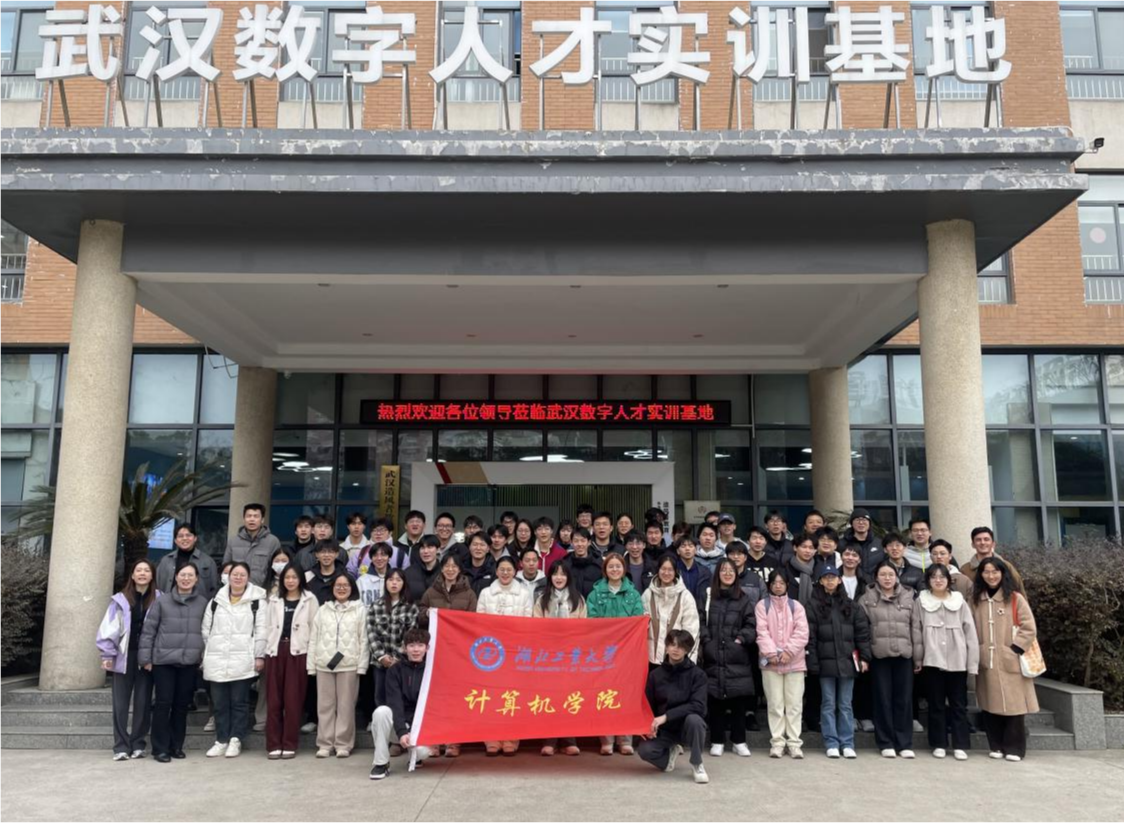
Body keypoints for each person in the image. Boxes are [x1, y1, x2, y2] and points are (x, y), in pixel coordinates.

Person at [971, 557, 1038, 762]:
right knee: (989, 704)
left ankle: (1015, 748)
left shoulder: (1015, 598)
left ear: (1002, 574)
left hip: (1011, 659)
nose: (991, 576)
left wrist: (1015, 649)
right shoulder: (975, 600)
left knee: (1015, 706)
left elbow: (1029, 627)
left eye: (995, 572)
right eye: (986, 572)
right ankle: (996, 745)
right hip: (986, 659)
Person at [140, 563, 208, 763]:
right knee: (163, 703)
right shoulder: (162, 601)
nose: (186, 579)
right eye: (182, 575)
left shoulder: (203, 603)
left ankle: (176, 745)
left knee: (181, 705)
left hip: (189, 661)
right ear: (176, 577)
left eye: (190, 575)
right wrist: (145, 658)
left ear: (196, 579)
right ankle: (160, 748)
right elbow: (149, 631)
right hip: (164, 661)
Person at [805, 565, 872, 759]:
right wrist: (813, 662)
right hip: (825, 663)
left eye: (833, 577)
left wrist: (865, 657)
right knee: (828, 703)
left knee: (845, 704)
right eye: (826, 577)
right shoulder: (813, 605)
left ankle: (847, 743)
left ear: (839, 580)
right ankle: (831, 743)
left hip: (847, 663)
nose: (830, 581)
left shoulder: (851, 605)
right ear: (821, 581)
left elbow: (862, 633)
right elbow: (810, 637)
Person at [201, 561, 266, 759]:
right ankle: (221, 740)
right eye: (234, 574)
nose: (238, 578)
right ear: (228, 577)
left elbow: (261, 631)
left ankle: (236, 739)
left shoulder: (257, 601)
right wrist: (212, 649)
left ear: (248, 578)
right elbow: (206, 629)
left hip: (242, 658)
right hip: (217, 658)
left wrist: (259, 655)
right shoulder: (216, 601)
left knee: (239, 702)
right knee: (219, 703)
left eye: (242, 575)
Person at [96, 559, 159, 761]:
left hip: (147, 658)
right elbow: (109, 627)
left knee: (143, 702)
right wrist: (107, 654)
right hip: (124, 656)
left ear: (152, 575)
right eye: (138, 570)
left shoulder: (159, 599)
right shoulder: (120, 600)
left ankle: (138, 744)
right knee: (120, 704)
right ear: (132, 575)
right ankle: (121, 746)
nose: (142, 573)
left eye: (146, 570)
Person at [860, 560, 923, 759]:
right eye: (883, 574)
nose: (887, 578)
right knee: (882, 700)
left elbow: (915, 628)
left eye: (891, 575)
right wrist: (865, 656)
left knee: (904, 700)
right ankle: (885, 742)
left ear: (897, 577)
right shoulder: (866, 599)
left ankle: (904, 743)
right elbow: (862, 630)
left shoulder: (909, 596)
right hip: (879, 656)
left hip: (904, 655)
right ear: (876, 577)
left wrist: (918, 657)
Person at [916, 563, 979, 761]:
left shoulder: (959, 601)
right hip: (932, 659)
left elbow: (970, 632)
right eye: (933, 577)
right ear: (928, 580)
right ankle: (939, 743)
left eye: (942, 577)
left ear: (948, 580)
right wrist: (918, 657)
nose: (938, 580)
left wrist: (972, 662)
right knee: (936, 703)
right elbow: (916, 630)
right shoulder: (921, 601)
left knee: (958, 704)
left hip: (957, 659)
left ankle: (960, 744)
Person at [586, 552, 645, 756]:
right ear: (605, 570)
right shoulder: (595, 594)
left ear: (624, 569)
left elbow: (638, 620)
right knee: (604, 695)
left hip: (627, 654)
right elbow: (591, 622)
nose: (614, 570)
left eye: (618, 566)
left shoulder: (633, 594)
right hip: (604, 654)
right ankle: (607, 739)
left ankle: (625, 739)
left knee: (626, 695)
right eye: (610, 567)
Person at [419, 554, 477, 759]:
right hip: (436, 653)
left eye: (454, 566)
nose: (450, 569)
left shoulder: (469, 593)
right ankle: (435, 741)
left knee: (456, 698)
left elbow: (473, 621)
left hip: (459, 653)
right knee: (436, 697)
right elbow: (420, 613)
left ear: (460, 569)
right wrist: (427, 614)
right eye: (447, 566)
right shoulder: (431, 591)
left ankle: (453, 741)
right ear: (441, 568)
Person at [636, 629, 711, 784]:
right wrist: (648, 726)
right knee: (644, 750)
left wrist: (666, 716)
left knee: (695, 720)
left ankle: (697, 763)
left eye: (681, 646)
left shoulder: (698, 674)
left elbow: (698, 706)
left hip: (687, 727)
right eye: (672, 645)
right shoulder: (655, 675)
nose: (676, 649)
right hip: (665, 730)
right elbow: (648, 706)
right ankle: (668, 757)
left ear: (688, 650)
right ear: (666, 646)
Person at [308, 573, 370, 758]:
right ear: (332, 588)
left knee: (346, 706)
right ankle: (325, 743)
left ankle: (343, 743)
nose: (341, 588)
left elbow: (364, 639)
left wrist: (362, 665)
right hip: (324, 664)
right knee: (324, 706)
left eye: (345, 585)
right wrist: (311, 665)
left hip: (349, 665)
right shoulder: (323, 610)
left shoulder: (359, 610)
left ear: (352, 588)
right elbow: (313, 638)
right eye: (338, 585)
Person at [476, 556, 532, 756]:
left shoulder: (524, 594)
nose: (505, 573)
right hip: (491, 653)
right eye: (502, 569)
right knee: (491, 696)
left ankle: (511, 738)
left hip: (515, 652)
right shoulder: (485, 593)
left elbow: (528, 621)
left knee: (512, 696)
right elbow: (479, 622)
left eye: (509, 569)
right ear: (496, 571)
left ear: (515, 571)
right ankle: (491, 738)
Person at [699, 558, 755, 758]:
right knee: (715, 700)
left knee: (738, 700)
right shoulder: (708, 596)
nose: (728, 574)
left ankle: (739, 741)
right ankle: (717, 740)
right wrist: (707, 641)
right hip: (713, 654)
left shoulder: (743, 598)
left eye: (731, 570)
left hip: (736, 655)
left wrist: (741, 640)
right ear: (718, 574)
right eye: (724, 570)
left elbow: (751, 624)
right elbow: (700, 621)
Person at [264, 561, 318, 759]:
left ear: (301, 579)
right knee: (274, 701)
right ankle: (273, 744)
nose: (290, 581)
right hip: (275, 652)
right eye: (287, 577)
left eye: (294, 577)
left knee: (293, 700)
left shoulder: (310, 599)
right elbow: (266, 627)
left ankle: (289, 743)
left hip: (298, 653)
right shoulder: (274, 600)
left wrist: (312, 657)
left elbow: (315, 629)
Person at [534, 559, 586, 756]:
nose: (559, 578)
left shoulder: (578, 600)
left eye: (563, 574)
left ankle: (569, 740)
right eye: (555, 574)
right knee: (550, 698)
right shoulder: (542, 600)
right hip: (548, 657)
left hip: (571, 657)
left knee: (570, 697)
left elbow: (584, 628)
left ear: (568, 577)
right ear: (550, 577)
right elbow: (536, 628)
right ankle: (549, 740)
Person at [756, 569, 809, 759]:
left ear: (787, 585)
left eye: (781, 583)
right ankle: (777, 742)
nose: (778, 586)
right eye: (774, 583)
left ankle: (794, 743)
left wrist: (788, 652)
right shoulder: (762, 605)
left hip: (794, 663)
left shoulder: (796, 606)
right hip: (770, 663)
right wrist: (771, 653)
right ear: (769, 585)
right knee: (775, 704)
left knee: (794, 705)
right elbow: (761, 632)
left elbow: (802, 632)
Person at [369, 628, 433, 780]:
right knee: (381, 712)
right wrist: (402, 731)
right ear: (405, 648)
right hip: (399, 725)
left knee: (424, 751)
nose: (416, 650)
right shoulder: (394, 670)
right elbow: (395, 702)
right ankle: (381, 763)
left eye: (420, 645)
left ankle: (415, 756)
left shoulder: (432, 670)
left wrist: (414, 730)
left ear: (427, 648)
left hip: (419, 727)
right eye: (411, 645)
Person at [368, 569, 420, 711]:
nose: (394, 583)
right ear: (385, 583)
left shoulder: (411, 607)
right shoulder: (376, 605)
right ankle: (381, 723)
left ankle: (399, 723)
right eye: (391, 580)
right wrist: (382, 656)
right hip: (380, 663)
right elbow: (371, 633)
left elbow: (411, 635)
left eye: (398, 580)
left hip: (401, 662)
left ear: (404, 583)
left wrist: (397, 657)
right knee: (380, 697)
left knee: (400, 697)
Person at [641, 555, 701, 669]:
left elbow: (691, 630)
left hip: (676, 661)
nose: (666, 573)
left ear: (675, 572)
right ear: (658, 570)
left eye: (670, 570)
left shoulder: (685, 596)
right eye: (663, 569)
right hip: (650, 659)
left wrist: (685, 657)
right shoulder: (647, 594)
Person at [223, 502, 282, 587]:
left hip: (262, 589)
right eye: (249, 516)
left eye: (256, 516)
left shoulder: (273, 541)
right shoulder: (233, 541)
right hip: (238, 589)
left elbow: (276, 569)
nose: (252, 519)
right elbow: (226, 566)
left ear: (262, 520)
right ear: (244, 519)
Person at [156, 524, 218, 602]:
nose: (184, 538)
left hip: (198, 606)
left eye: (188, 535)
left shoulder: (208, 561)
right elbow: (158, 585)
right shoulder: (166, 561)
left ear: (195, 538)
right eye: (180, 536)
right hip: (168, 605)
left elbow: (214, 588)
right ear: (175, 540)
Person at [962, 526, 1025, 594]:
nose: (982, 542)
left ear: (993, 544)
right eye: (978, 540)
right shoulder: (965, 570)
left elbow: (1019, 590)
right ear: (973, 545)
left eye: (986, 539)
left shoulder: (1006, 566)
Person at [306, 540, 353, 604]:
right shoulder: (308, 576)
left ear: (337, 554)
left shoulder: (345, 576)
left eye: (330, 552)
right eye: (323, 552)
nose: (326, 555)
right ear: (316, 554)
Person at [674, 536, 712, 612]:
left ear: (695, 550)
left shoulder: (705, 572)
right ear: (678, 551)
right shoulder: (673, 571)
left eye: (690, 546)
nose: (687, 549)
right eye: (683, 546)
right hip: (677, 611)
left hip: (699, 612)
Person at [842, 509, 883, 576]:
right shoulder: (842, 544)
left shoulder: (879, 544)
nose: (861, 522)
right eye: (857, 520)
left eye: (864, 520)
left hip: (874, 581)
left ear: (869, 523)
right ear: (852, 523)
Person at [565, 527, 603, 597]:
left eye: (583, 541)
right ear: (571, 543)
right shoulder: (565, 564)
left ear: (589, 542)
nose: (579, 544)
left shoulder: (598, 564)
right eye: (576, 541)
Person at [784, 533, 818, 609]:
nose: (807, 551)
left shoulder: (818, 569)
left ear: (815, 551)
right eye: (804, 547)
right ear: (795, 548)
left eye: (811, 548)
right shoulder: (786, 568)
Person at [404, 536, 442, 600]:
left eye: (430, 547)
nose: (425, 551)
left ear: (438, 550)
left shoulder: (444, 571)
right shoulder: (409, 572)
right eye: (422, 548)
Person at [356, 542, 394, 607]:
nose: (379, 558)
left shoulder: (395, 579)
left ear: (389, 557)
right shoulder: (361, 581)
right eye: (375, 555)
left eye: (383, 555)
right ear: (371, 558)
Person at [624, 530, 657, 594]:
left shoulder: (654, 567)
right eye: (630, 543)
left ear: (644, 545)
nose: (634, 547)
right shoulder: (621, 567)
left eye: (638, 543)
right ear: (626, 546)